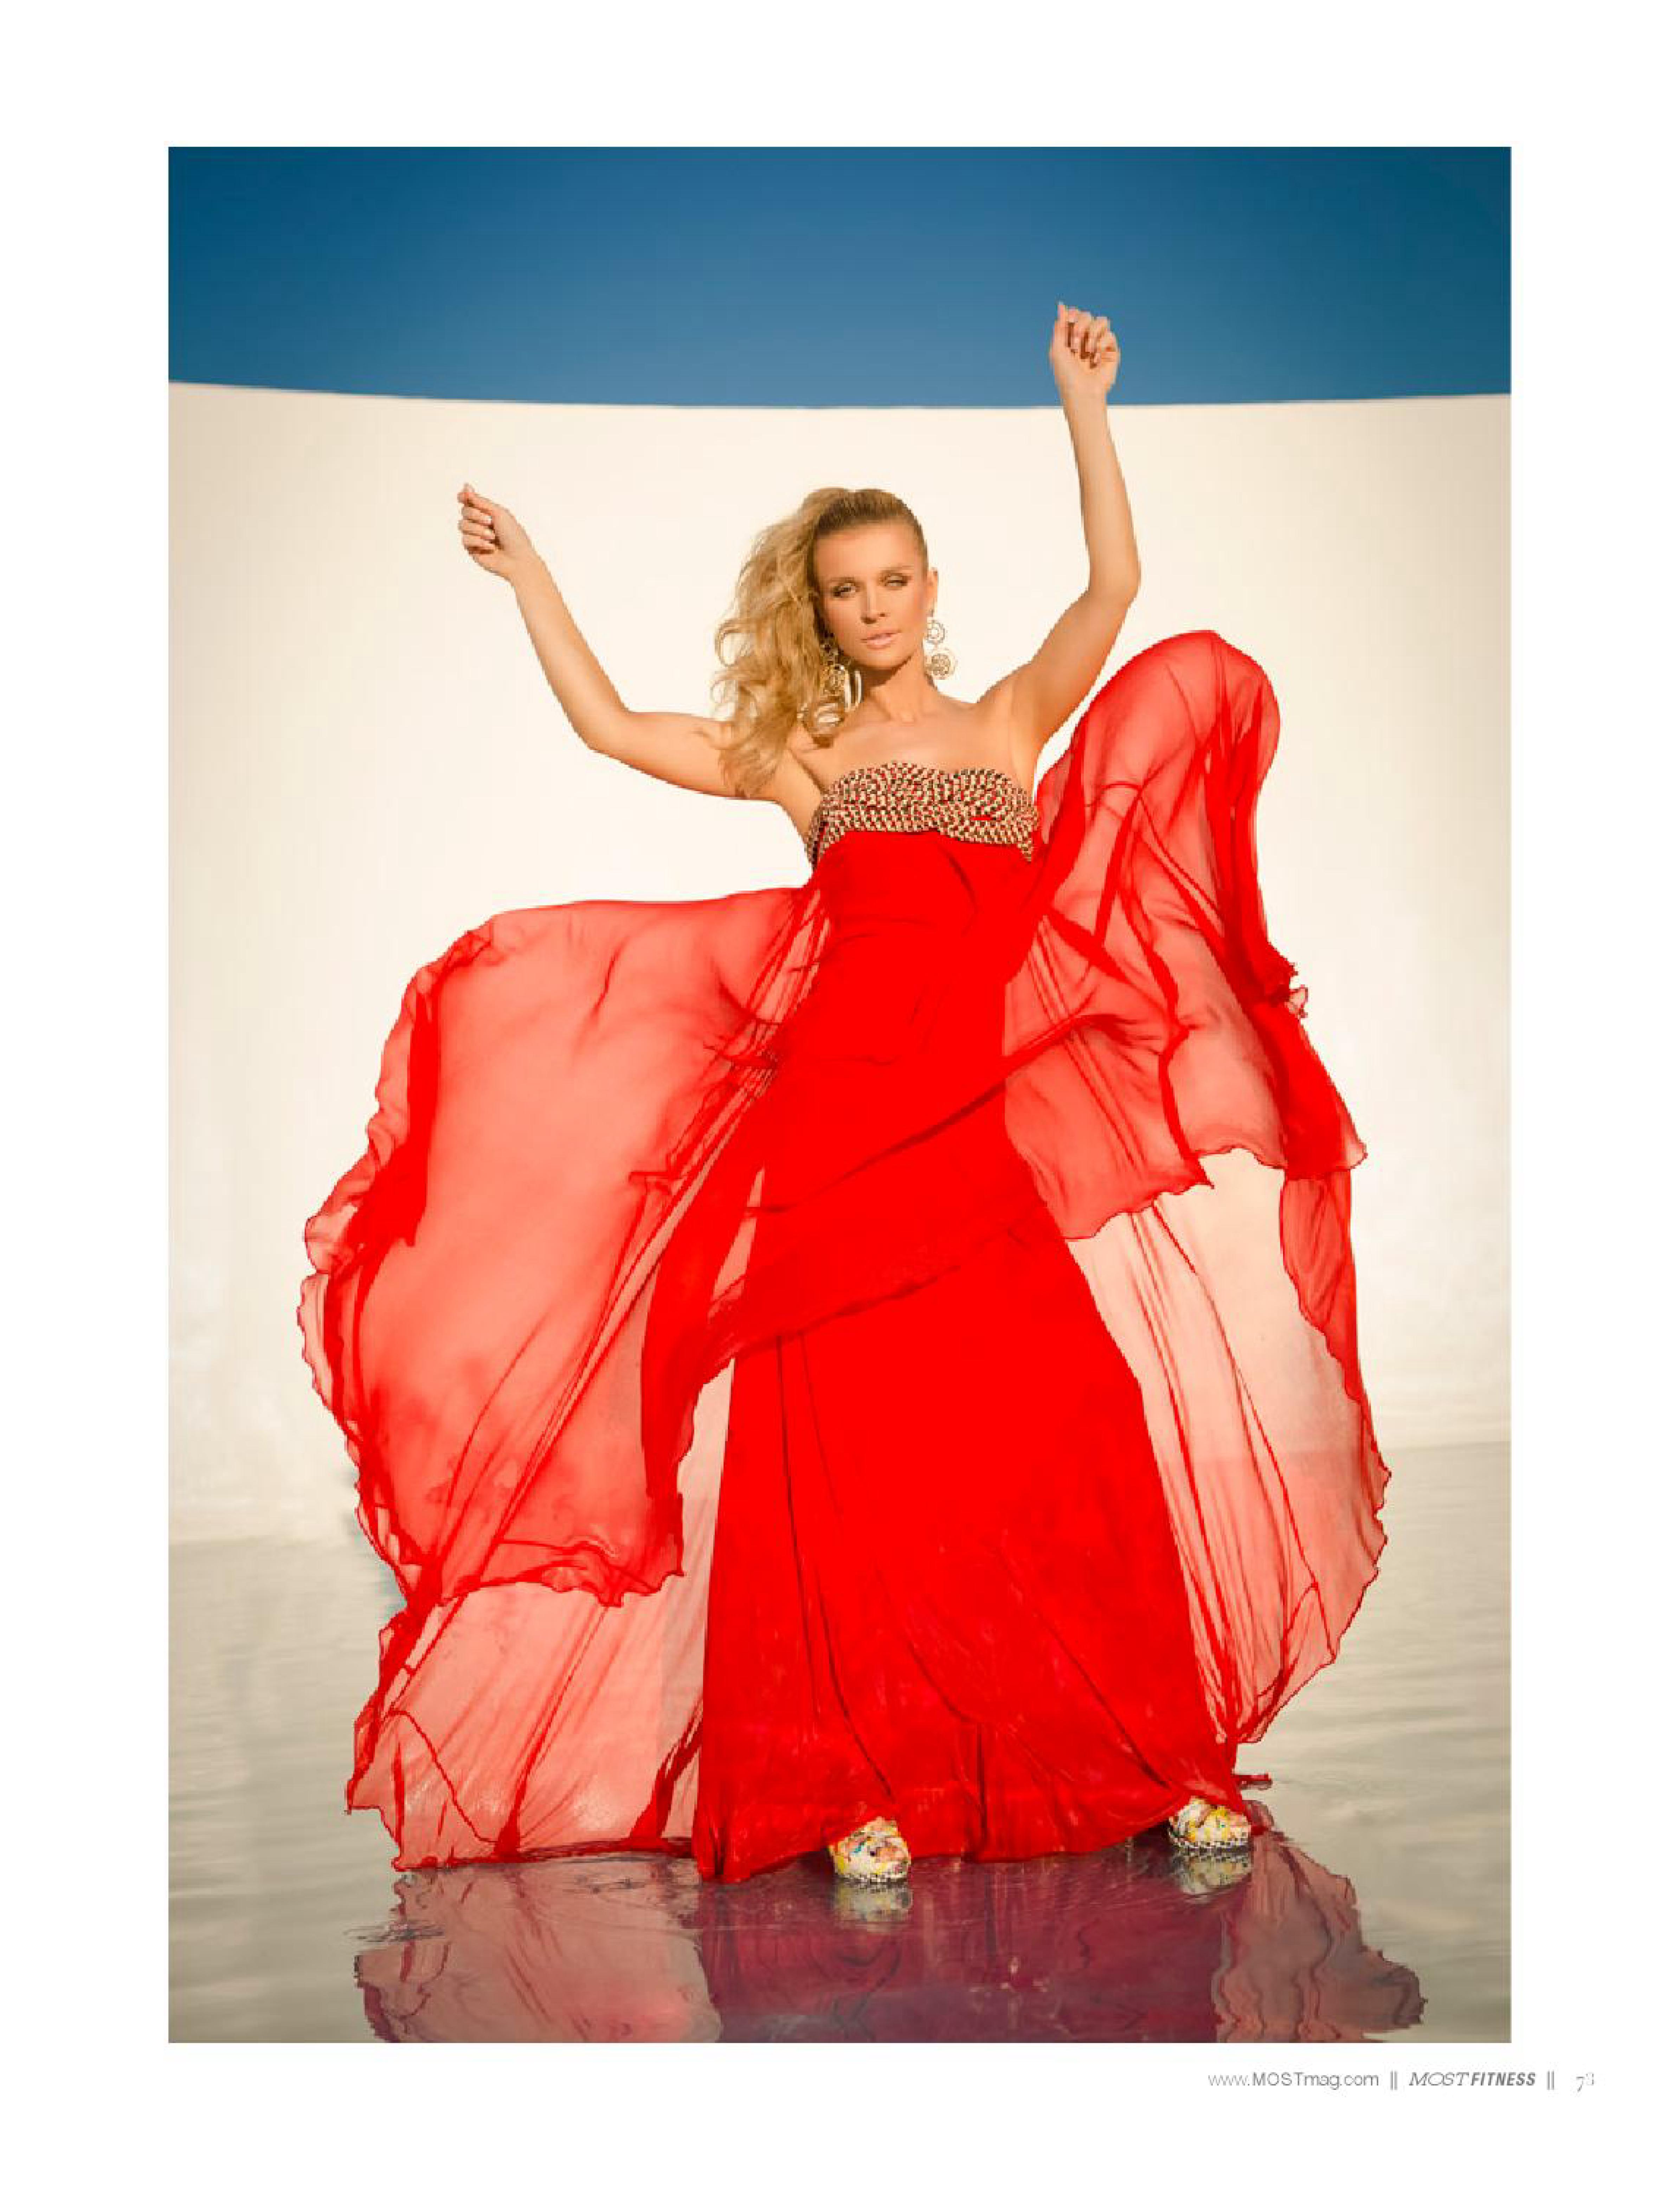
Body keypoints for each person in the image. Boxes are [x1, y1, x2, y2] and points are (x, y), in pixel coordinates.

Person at [297, 304, 1389, 1893]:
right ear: (816, 609)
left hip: (967, 1136)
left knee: (1066, 1425)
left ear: (930, 590)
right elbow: (609, 729)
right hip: (835, 1132)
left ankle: (1148, 1757)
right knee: (852, 1464)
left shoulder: (1009, 721)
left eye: (892, 581)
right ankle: (842, 1780)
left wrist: (1082, 404)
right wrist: (531, 578)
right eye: (843, 590)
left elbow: (1112, 590)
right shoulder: (799, 752)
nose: (870, 608)